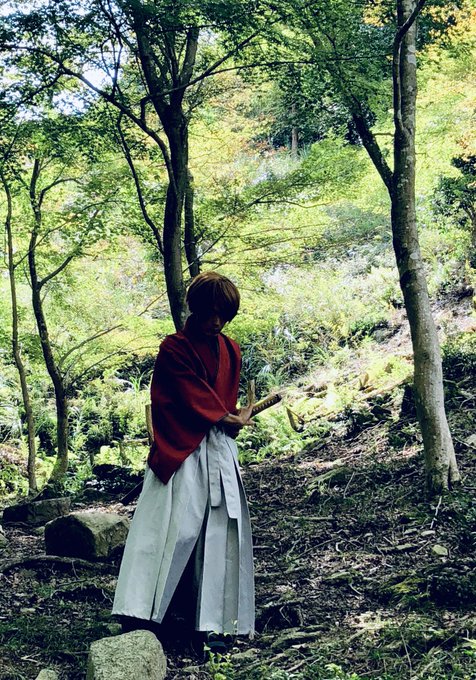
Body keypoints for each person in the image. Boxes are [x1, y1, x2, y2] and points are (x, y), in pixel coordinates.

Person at [112, 271, 255, 650]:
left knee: (220, 531)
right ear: (196, 308)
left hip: (218, 449)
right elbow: (188, 395)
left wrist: (233, 419)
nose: (217, 321)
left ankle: (215, 623)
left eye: (223, 314)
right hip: (181, 449)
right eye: (210, 312)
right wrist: (225, 416)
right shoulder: (174, 348)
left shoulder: (231, 349)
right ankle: (139, 614)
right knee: (170, 528)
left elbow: (222, 402)